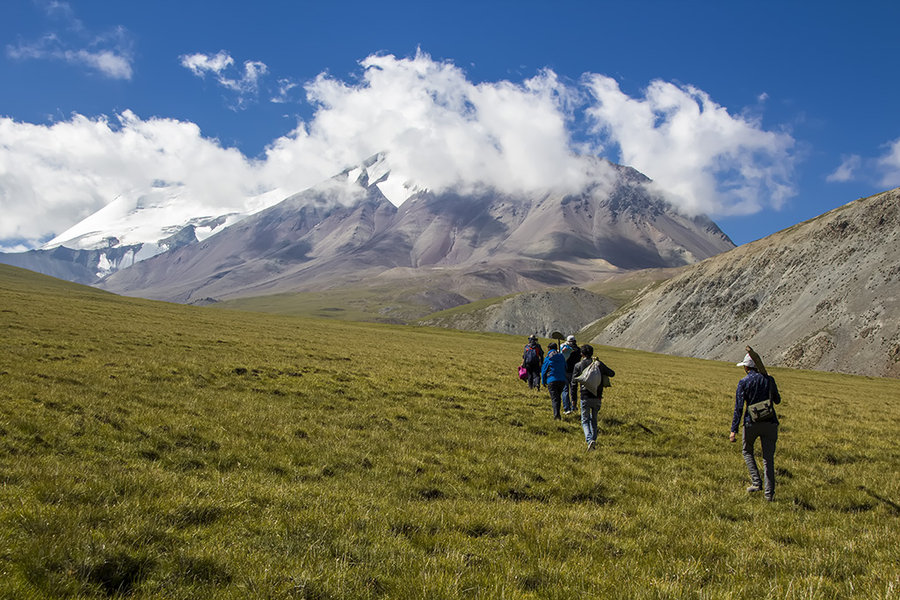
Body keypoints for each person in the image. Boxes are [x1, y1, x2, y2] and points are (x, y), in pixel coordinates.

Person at [730, 352, 781, 501]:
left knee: (747, 451)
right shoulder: (769, 380)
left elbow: (739, 407)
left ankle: (756, 482)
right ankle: (769, 494)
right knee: (768, 459)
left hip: (751, 423)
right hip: (770, 422)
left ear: (747, 367)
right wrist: (770, 384)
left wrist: (734, 430)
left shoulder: (744, 382)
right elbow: (777, 400)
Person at [572, 344, 615, 450]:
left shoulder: (578, 365)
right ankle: (593, 441)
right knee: (594, 420)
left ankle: (589, 440)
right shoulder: (598, 364)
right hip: (597, 396)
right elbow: (612, 373)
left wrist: (573, 399)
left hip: (585, 396)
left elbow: (573, 383)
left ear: (582, 354)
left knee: (585, 420)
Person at [541, 342, 568, 420]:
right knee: (558, 397)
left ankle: (556, 415)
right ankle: (558, 413)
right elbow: (565, 367)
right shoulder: (561, 356)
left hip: (552, 379)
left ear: (549, 348)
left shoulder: (548, 357)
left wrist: (543, 381)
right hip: (562, 380)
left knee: (554, 398)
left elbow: (544, 370)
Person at [560, 335, 582, 415]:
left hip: (565, 371)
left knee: (565, 389)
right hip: (575, 372)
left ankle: (567, 408)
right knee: (574, 389)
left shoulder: (565, 349)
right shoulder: (578, 350)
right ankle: (574, 406)